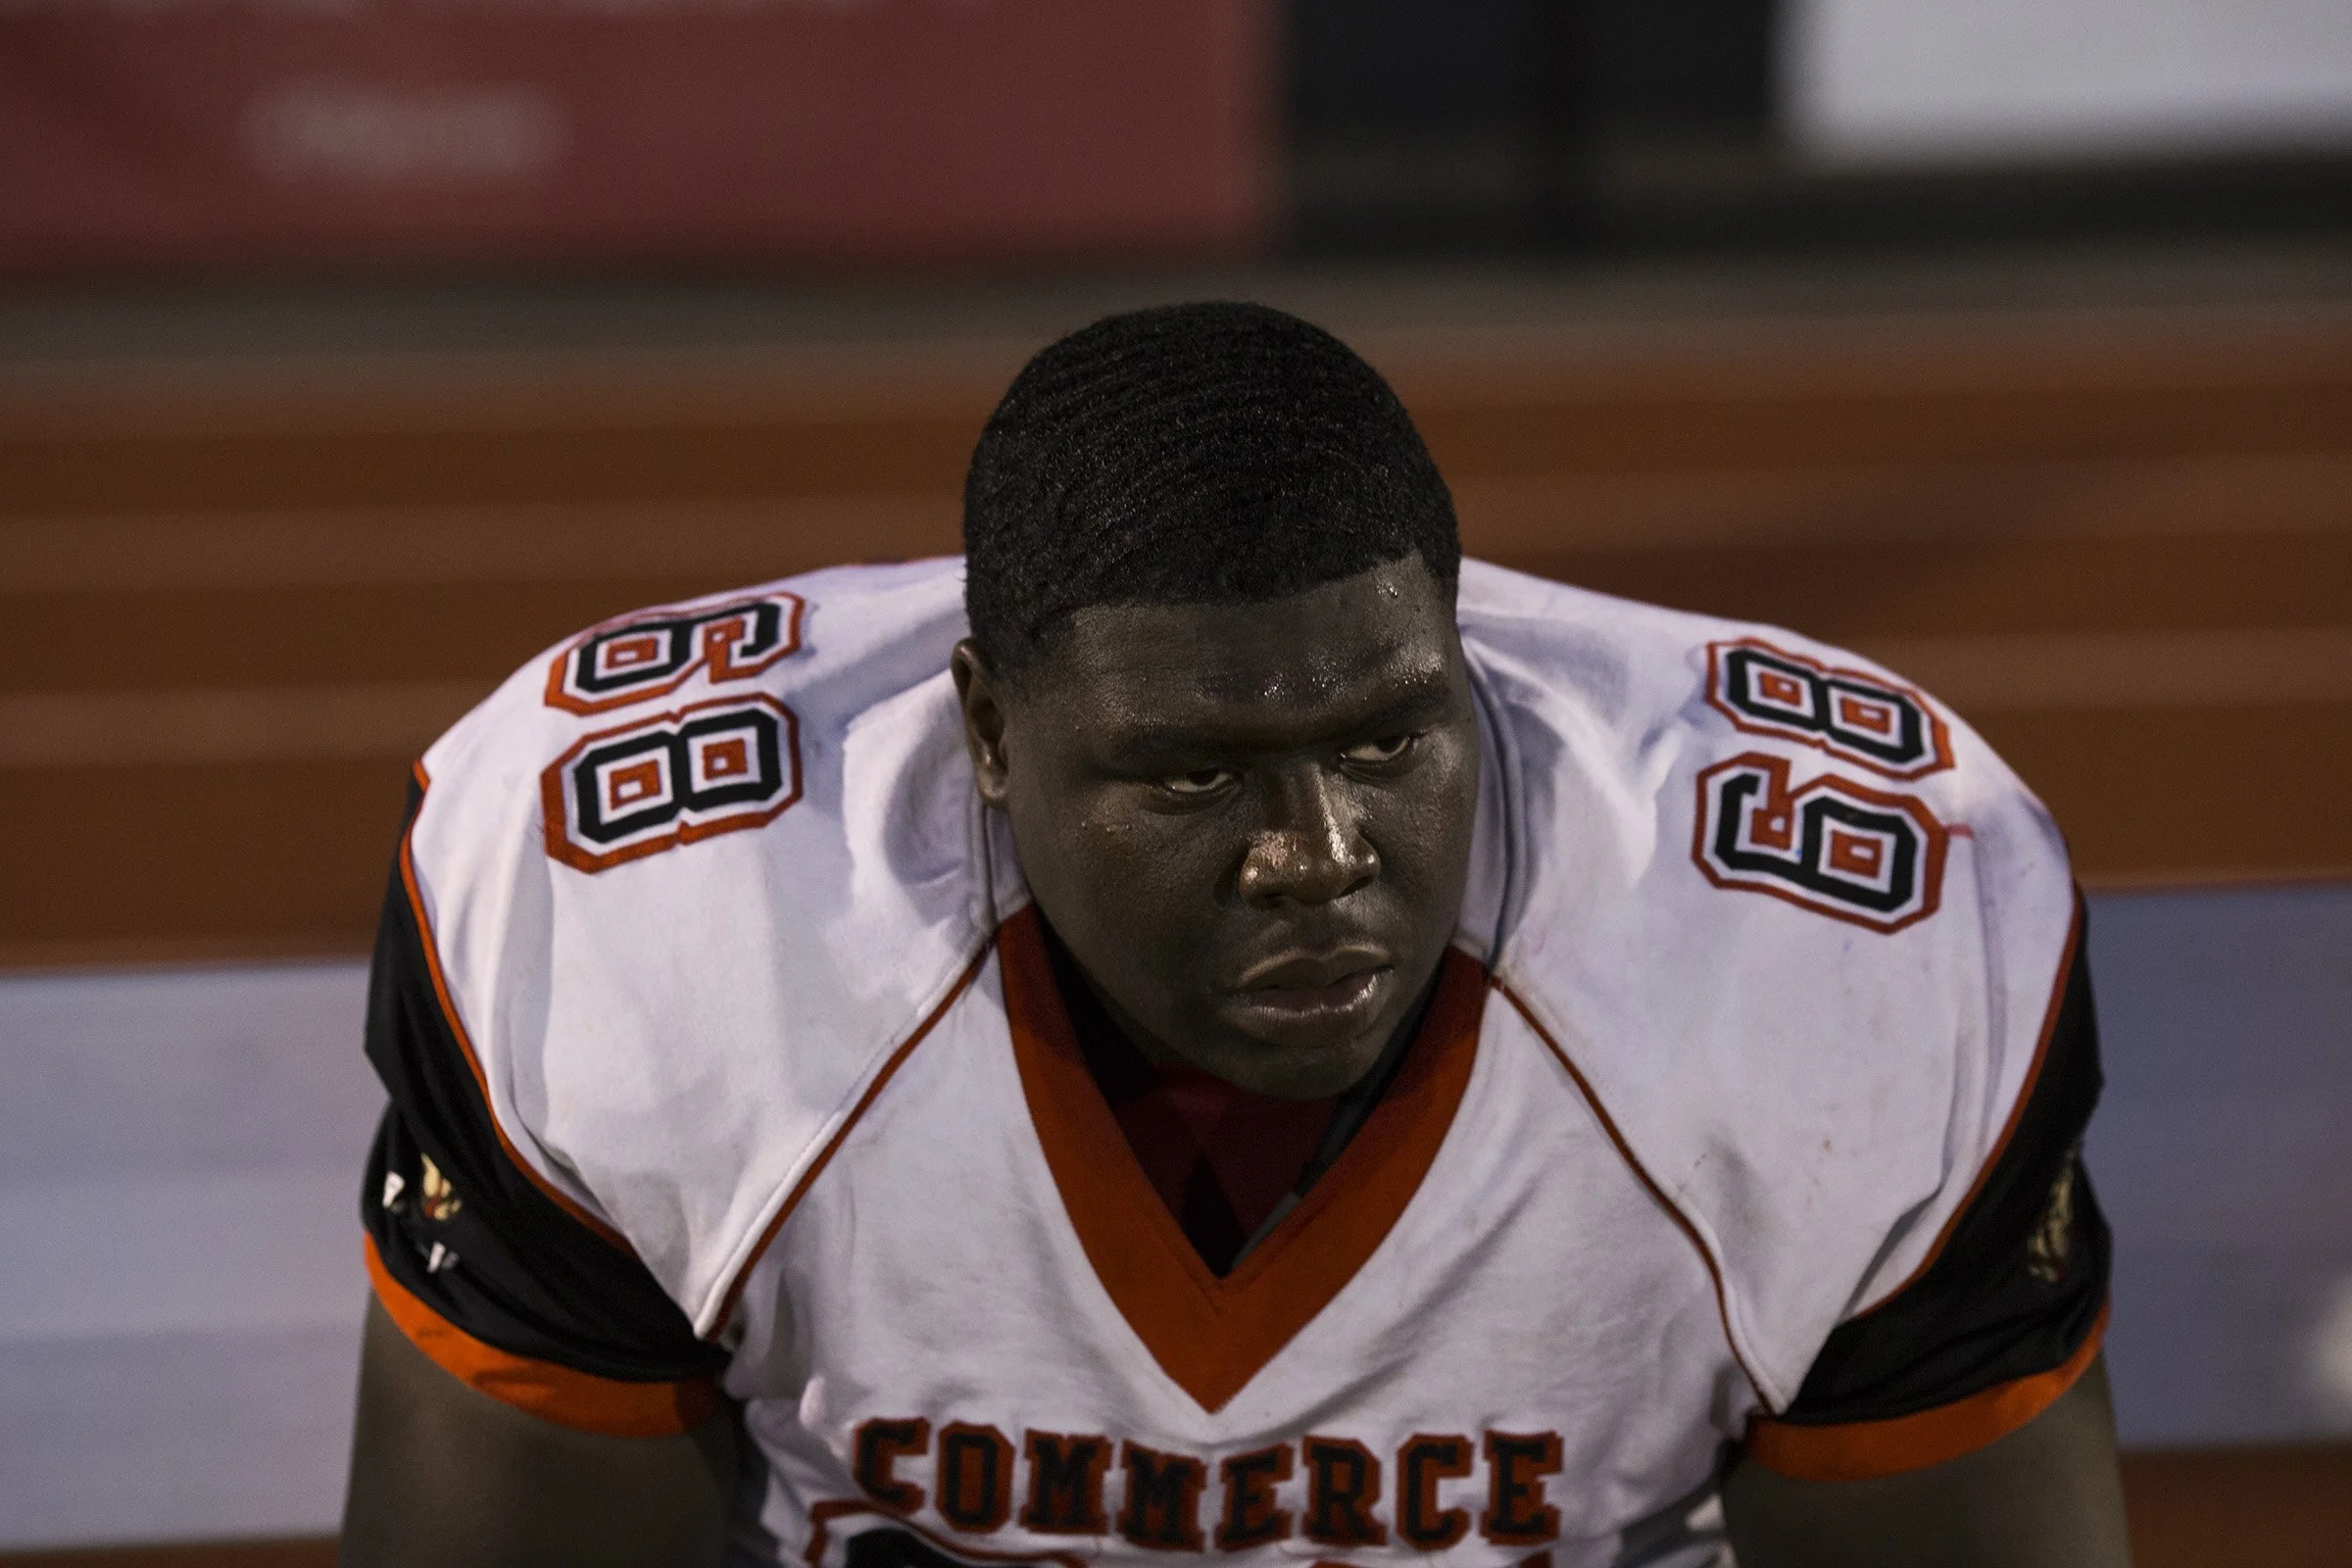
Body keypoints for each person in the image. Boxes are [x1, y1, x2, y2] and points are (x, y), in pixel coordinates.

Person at [340, 303, 2128, 1568]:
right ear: (986, 734)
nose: (1319, 856)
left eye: (1385, 742)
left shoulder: (1832, 951)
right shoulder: (660, 929)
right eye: (1191, 775)